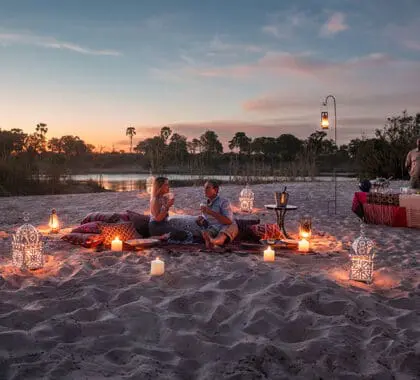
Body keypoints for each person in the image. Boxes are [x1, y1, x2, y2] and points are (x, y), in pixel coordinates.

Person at [197, 180, 238, 248]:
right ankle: (211, 240)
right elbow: (205, 218)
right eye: (204, 188)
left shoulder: (223, 202)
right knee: (206, 231)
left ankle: (214, 241)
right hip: (211, 227)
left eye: (207, 188)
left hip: (224, 226)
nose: (204, 190)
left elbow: (228, 221)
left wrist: (211, 212)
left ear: (216, 189)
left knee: (231, 225)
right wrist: (200, 219)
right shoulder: (203, 203)